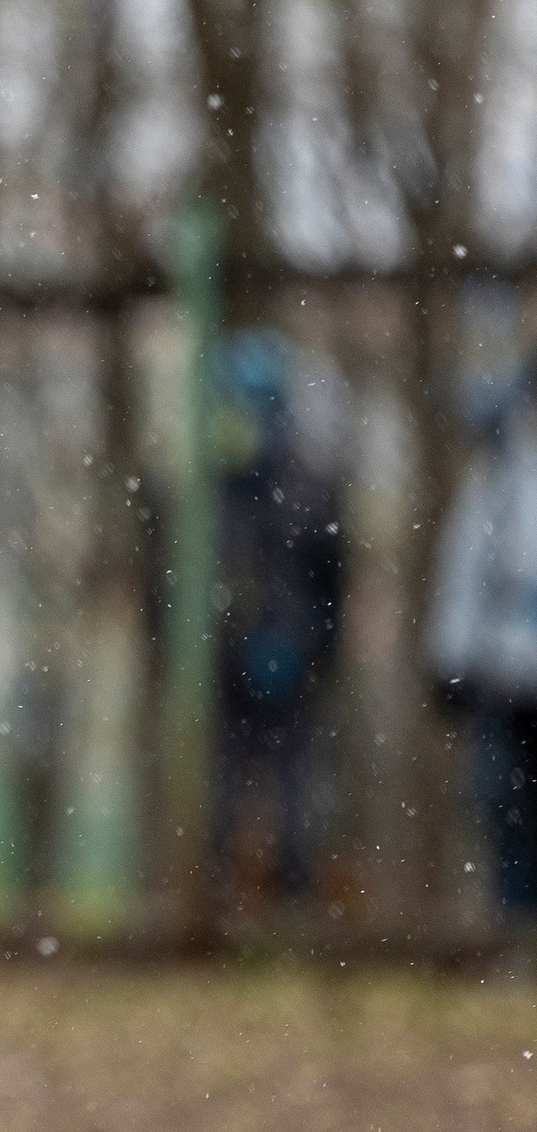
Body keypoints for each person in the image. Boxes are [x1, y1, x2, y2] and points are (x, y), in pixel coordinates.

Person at [209, 330, 346, 904]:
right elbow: (169, 584)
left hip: (288, 661)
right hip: (226, 664)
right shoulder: (206, 491)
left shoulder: (304, 486)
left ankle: (293, 893)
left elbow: (329, 577)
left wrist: (307, 644)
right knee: (225, 783)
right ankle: (218, 892)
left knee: (292, 784)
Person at [428, 356, 537, 922]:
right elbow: (465, 571)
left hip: (510, 672)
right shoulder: (498, 478)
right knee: (507, 814)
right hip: (507, 682)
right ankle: (514, 933)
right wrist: (450, 659)